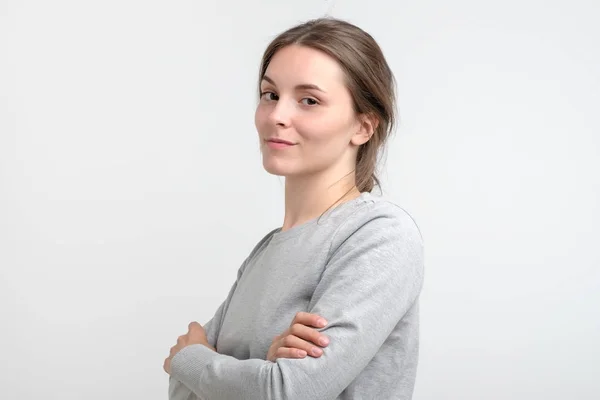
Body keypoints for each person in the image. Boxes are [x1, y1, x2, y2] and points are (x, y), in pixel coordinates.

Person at [164, 17, 424, 400]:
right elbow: (182, 394)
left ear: (364, 126)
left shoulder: (380, 236)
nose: (277, 116)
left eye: (309, 100)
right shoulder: (266, 251)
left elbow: (288, 390)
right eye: (270, 94)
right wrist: (256, 371)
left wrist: (193, 360)